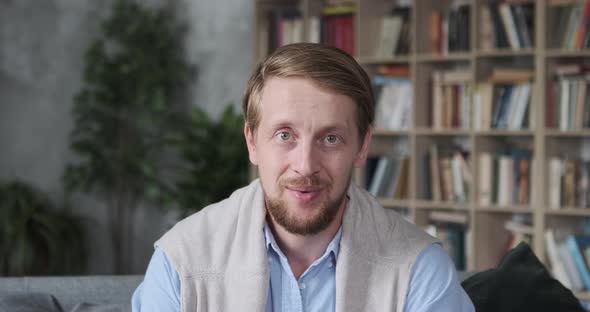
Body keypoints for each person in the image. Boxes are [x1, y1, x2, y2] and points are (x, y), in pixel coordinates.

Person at [132, 43, 474, 312]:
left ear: (361, 146)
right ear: (252, 142)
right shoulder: (181, 262)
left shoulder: (418, 268)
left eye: (330, 138)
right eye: (285, 135)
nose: (305, 165)